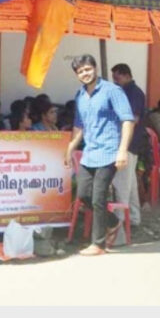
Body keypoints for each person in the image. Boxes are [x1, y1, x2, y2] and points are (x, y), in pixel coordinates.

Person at [64, 54, 134, 256]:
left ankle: (98, 244)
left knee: (98, 197)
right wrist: (70, 148)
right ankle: (113, 222)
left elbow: (127, 120)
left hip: (110, 151)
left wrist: (122, 150)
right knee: (83, 194)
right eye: (80, 71)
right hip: (90, 153)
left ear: (95, 68)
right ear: (76, 75)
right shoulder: (80, 95)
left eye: (87, 69)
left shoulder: (112, 91)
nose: (85, 74)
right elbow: (79, 125)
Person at [111, 63, 145, 232]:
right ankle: (133, 218)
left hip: (127, 143)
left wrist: (122, 144)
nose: (115, 81)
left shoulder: (133, 93)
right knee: (130, 185)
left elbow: (132, 120)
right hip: (132, 144)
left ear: (126, 75)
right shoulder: (130, 91)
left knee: (121, 185)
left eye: (117, 78)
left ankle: (119, 222)